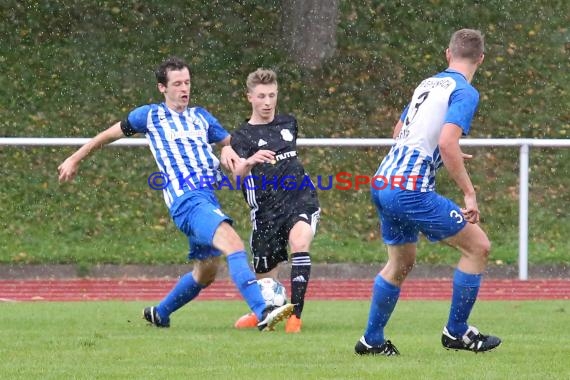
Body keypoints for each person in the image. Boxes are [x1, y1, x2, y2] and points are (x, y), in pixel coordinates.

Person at [57, 56, 294, 331]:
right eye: (178, 83)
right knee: (234, 245)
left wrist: (229, 149)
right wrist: (75, 158)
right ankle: (263, 310)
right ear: (162, 88)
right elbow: (106, 136)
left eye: (188, 82)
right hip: (186, 200)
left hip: (207, 198)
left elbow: (232, 143)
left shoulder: (200, 116)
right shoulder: (149, 115)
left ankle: (161, 313)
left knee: (206, 272)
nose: (185, 89)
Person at [355, 29, 501, 355]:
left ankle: (371, 341)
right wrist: (469, 194)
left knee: (401, 261)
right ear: (480, 59)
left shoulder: (428, 83)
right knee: (478, 247)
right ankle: (457, 332)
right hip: (408, 189)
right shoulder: (465, 91)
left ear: (448, 55)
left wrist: (439, 148)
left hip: (383, 181)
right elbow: (448, 142)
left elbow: (399, 132)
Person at [224, 68, 320, 333]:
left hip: (300, 199)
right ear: (250, 98)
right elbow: (237, 179)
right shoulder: (242, 136)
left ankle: (296, 317)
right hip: (266, 211)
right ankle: (264, 312)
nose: (267, 102)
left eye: (272, 95)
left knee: (299, 242)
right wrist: (250, 161)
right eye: (262, 96)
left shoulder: (289, 123)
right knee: (266, 280)